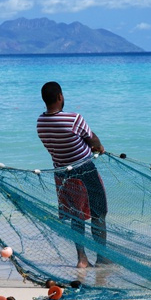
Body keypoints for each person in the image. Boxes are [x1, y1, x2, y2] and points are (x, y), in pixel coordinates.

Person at [37, 81, 109, 268]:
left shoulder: (41, 122)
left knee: (77, 217)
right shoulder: (74, 119)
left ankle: (82, 259)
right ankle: (101, 258)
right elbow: (92, 139)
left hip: (62, 175)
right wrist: (99, 147)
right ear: (60, 97)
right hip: (85, 171)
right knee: (98, 212)